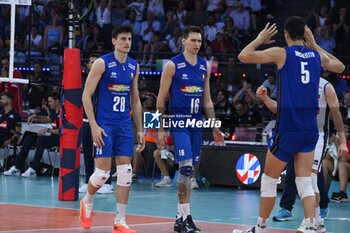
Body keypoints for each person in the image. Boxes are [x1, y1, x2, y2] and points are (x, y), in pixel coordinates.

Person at [233, 16, 345, 233]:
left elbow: (243, 55)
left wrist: (259, 38)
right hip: (310, 130)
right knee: (305, 181)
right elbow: (339, 67)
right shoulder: (315, 55)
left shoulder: (282, 53)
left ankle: (260, 228)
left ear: (285, 35)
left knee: (268, 180)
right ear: (305, 35)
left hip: (288, 128)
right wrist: (313, 44)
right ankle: (313, 226)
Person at [157, 25, 224, 233]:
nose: (197, 44)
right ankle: (182, 218)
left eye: (199, 41)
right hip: (179, 121)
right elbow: (160, 98)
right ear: (183, 41)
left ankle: (183, 217)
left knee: (191, 171)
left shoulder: (205, 65)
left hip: (197, 124)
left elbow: (208, 100)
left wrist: (214, 126)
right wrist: (160, 128)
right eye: (193, 40)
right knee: (185, 168)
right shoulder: (172, 65)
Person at [80, 25, 145, 233]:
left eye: (130, 39)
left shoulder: (134, 66)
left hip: (124, 125)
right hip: (104, 124)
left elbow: (135, 100)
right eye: (123, 39)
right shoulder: (102, 63)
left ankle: (120, 221)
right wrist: (94, 126)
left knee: (126, 172)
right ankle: (87, 201)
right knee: (102, 174)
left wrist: (140, 129)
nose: (127, 42)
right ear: (114, 41)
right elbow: (85, 96)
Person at [264, 77, 347, 232]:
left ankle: (313, 220)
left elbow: (336, 115)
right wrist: (265, 98)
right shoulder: (295, 82)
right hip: (296, 135)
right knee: (299, 176)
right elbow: (283, 109)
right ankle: (314, 222)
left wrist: (342, 141)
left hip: (317, 137)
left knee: (311, 178)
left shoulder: (325, 86)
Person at [79, 53, 114, 194]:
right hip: (85, 122)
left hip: (101, 123)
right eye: (91, 62)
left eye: (96, 62)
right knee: (87, 154)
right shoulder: (84, 82)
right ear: (87, 65)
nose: (94, 64)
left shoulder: (104, 81)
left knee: (104, 154)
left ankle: (107, 183)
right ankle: (89, 181)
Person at [4, 92, 61, 177]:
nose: (48, 104)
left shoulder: (64, 113)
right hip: (51, 138)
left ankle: (33, 169)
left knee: (41, 139)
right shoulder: (53, 112)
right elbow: (48, 119)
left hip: (59, 139)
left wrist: (48, 130)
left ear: (57, 101)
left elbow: (62, 131)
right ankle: (17, 167)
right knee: (29, 138)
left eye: (50, 101)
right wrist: (36, 116)